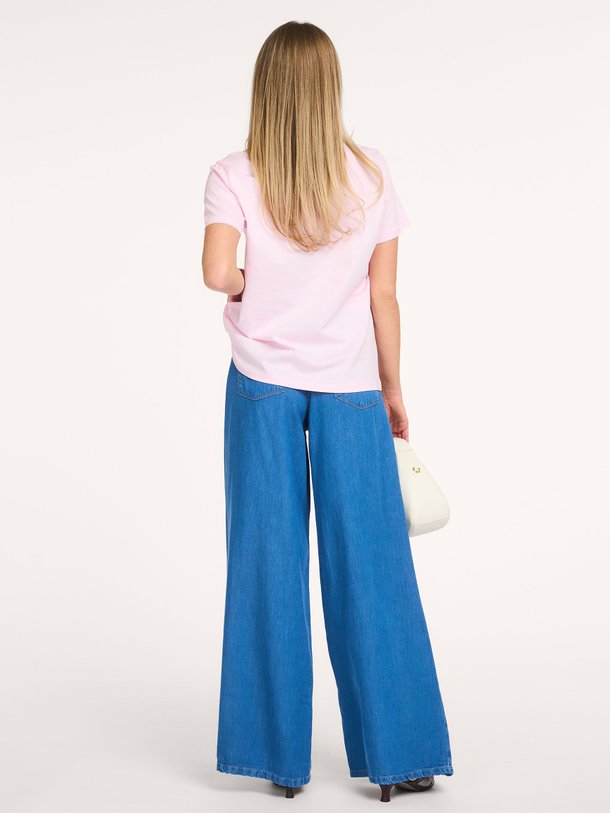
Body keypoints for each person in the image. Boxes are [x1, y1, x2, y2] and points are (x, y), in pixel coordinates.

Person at [201, 20, 453, 803]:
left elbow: (216, 271)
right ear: (330, 88)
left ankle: (278, 761)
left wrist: (253, 286)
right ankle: (401, 759)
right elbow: (384, 295)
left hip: (261, 384)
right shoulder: (370, 175)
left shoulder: (234, 174)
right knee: (373, 563)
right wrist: (393, 388)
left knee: (266, 562)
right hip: (351, 387)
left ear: (266, 88)